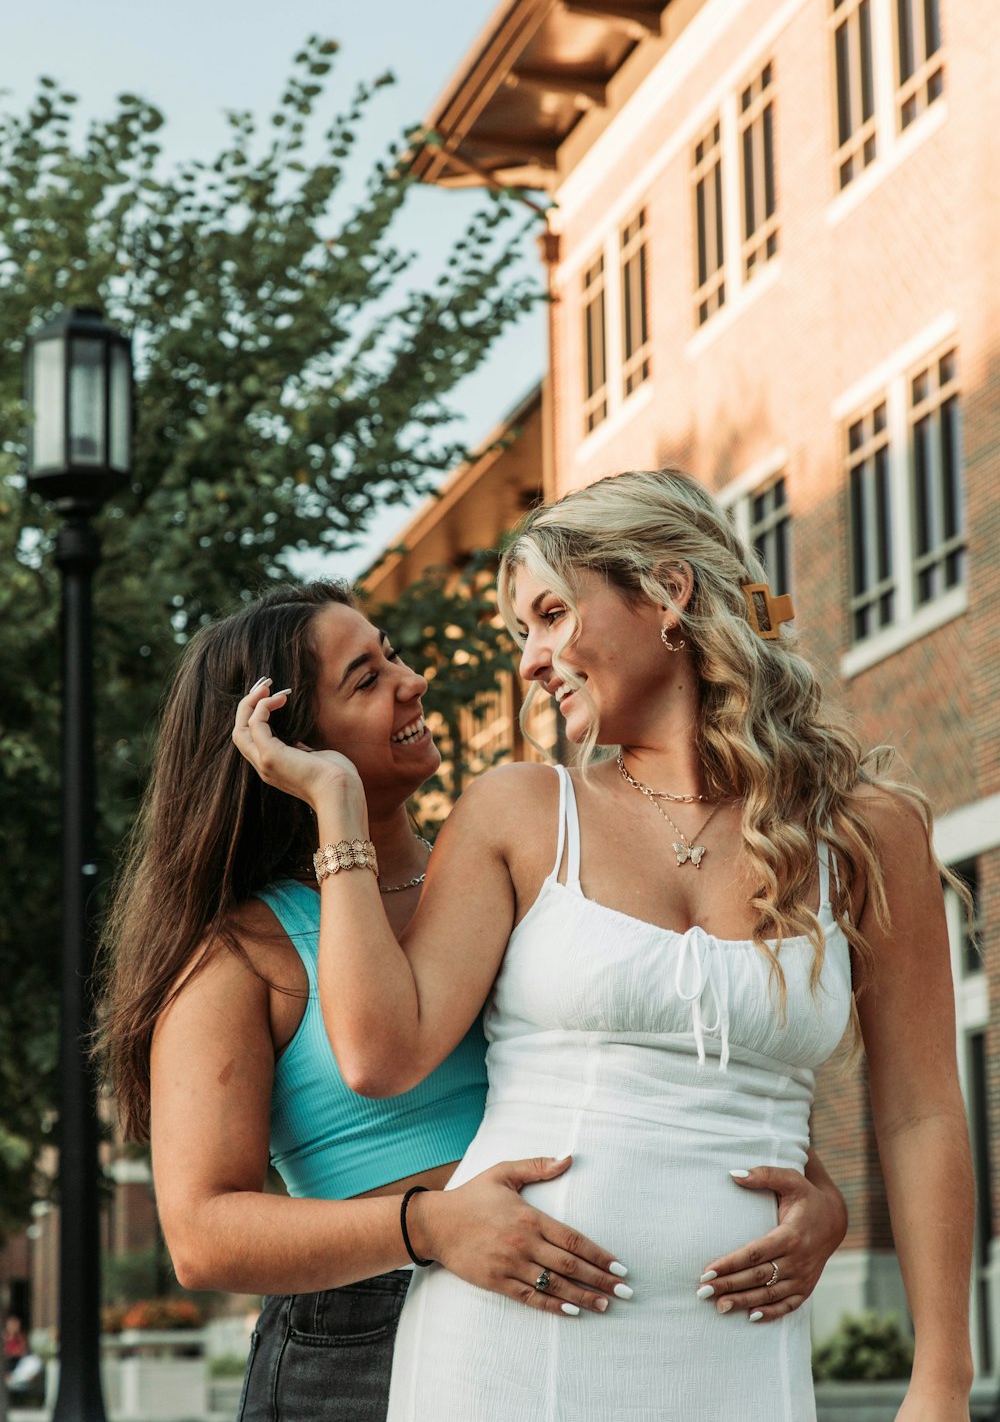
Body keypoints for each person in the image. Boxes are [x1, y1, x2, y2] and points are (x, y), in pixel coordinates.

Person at [235, 470, 974, 1422]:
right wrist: (336, 801)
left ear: (667, 593)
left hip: (741, 1358)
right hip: (508, 1353)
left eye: (549, 614)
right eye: (521, 635)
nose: (533, 662)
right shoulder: (520, 811)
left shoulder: (863, 831)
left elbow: (921, 1112)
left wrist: (942, 1379)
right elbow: (381, 1055)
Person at [98, 578, 847, 1422]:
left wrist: (814, 1193)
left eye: (392, 655)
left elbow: (662, 1042)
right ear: (292, 741)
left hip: (577, 1322)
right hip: (357, 1336)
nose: (412, 679)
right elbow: (202, 1235)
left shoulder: (512, 861)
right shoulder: (241, 951)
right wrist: (434, 1227)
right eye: (366, 679)